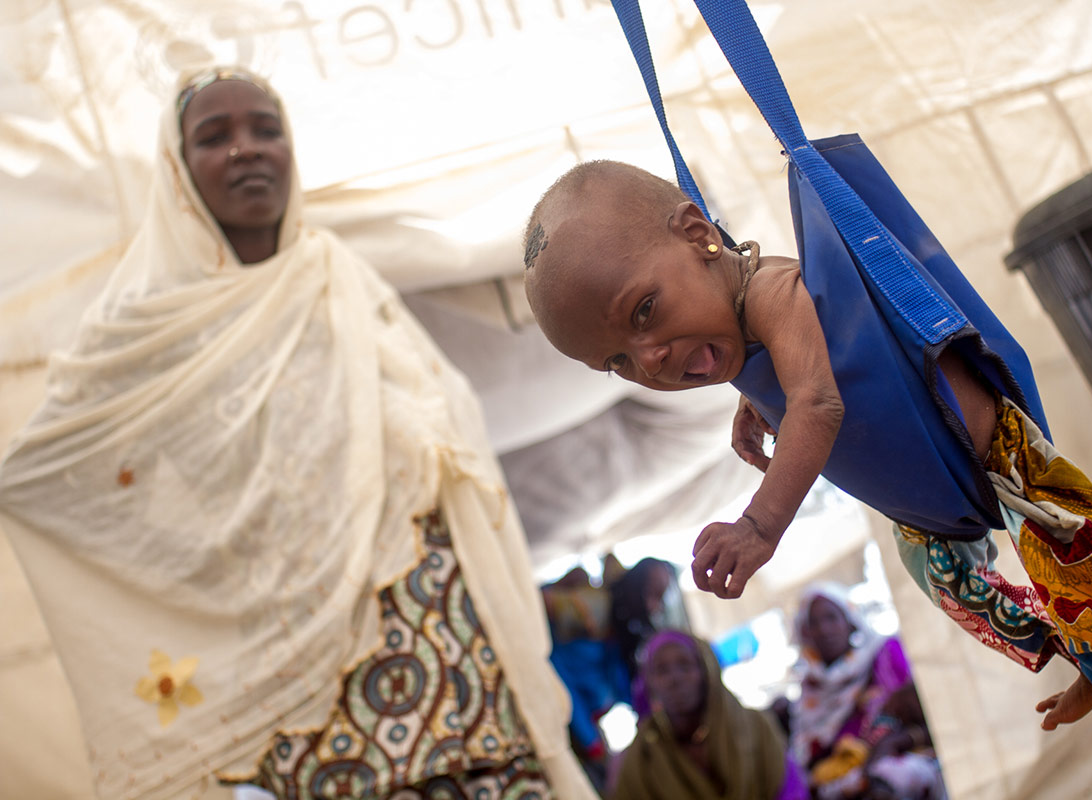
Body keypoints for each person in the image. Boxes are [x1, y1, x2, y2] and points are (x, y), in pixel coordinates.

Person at [0, 68, 595, 800]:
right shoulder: (146, 326)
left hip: (453, 637)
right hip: (309, 674)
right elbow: (55, 472)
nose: (247, 149)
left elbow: (443, 416)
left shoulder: (337, 275)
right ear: (178, 173)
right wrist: (202, 564)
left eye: (266, 129)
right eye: (214, 137)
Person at [520, 159, 1092, 733]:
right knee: (953, 585)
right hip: (926, 503)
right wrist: (751, 399)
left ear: (698, 236)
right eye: (618, 363)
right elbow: (786, 370)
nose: (650, 359)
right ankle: (1069, 650)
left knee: (1070, 548)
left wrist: (758, 527)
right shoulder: (731, 318)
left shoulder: (772, 292)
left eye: (644, 312)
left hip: (998, 455)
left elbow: (818, 401)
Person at [540, 556, 685, 789]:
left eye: (660, 599)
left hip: (582, 722)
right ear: (634, 587)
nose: (654, 607)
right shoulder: (599, 608)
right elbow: (554, 670)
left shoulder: (625, 634)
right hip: (559, 716)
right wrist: (589, 738)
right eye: (652, 595)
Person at [789, 583, 945, 800]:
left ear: (850, 622)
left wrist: (892, 745)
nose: (824, 629)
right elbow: (806, 759)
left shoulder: (886, 655)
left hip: (901, 765)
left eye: (831, 618)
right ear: (805, 632)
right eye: (813, 623)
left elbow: (934, 719)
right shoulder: (810, 689)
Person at [611, 630, 808, 800]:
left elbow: (789, 789)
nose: (675, 679)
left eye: (685, 665)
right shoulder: (641, 758)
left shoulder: (754, 727)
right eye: (662, 670)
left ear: (707, 671)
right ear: (650, 683)